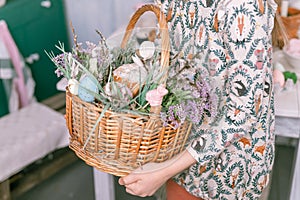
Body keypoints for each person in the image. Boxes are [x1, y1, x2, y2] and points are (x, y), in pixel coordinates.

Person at [119, 0, 278, 199]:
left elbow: (242, 114)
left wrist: (163, 170)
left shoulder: (243, 7)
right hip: (182, 146)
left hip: (230, 167)